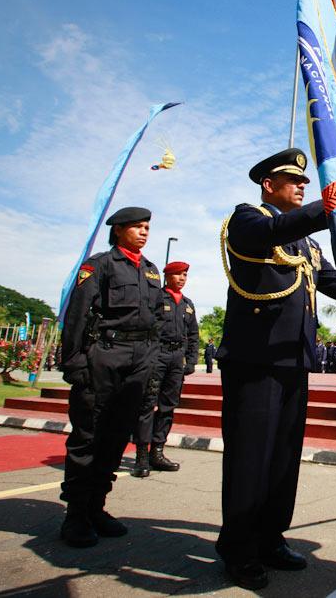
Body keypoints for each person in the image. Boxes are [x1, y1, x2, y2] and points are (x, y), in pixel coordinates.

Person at [214, 148, 336, 590]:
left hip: (294, 361)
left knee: (283, 459)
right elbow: (272, 229)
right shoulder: (247, 218)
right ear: (268, 185)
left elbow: (334, 284)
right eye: (292, 180)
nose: (302, 185)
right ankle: (237, 547)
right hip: (255, 361)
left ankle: (270, 537)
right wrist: (327, 206)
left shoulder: (306, 243)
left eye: (305, 182)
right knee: (250, 458)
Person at [58, 206, 164, 547]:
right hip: (105, 355)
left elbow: (157, 319)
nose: (144, 232)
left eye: (147, 227)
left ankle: (97, 507)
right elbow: (77, 312)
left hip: (139, 360)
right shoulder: (100, 264)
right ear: (118, 230)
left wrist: (153, 360)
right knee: (88, 435)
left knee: (118, 435)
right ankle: (75, 515)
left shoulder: (151, 270)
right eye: (137, 227)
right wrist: (74, 361)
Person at [131, 260, 199, 478]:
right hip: (157, 356)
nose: (182, 278)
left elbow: (194, 335)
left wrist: (190, 361)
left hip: (176, 358)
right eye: (178, 274)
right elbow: (145, 327)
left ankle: (157, 452)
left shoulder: (188, 304)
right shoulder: (157, 298)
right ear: (167, 276)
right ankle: (141, 455)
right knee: (147, 405)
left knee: (168, 406)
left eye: (185, 275)